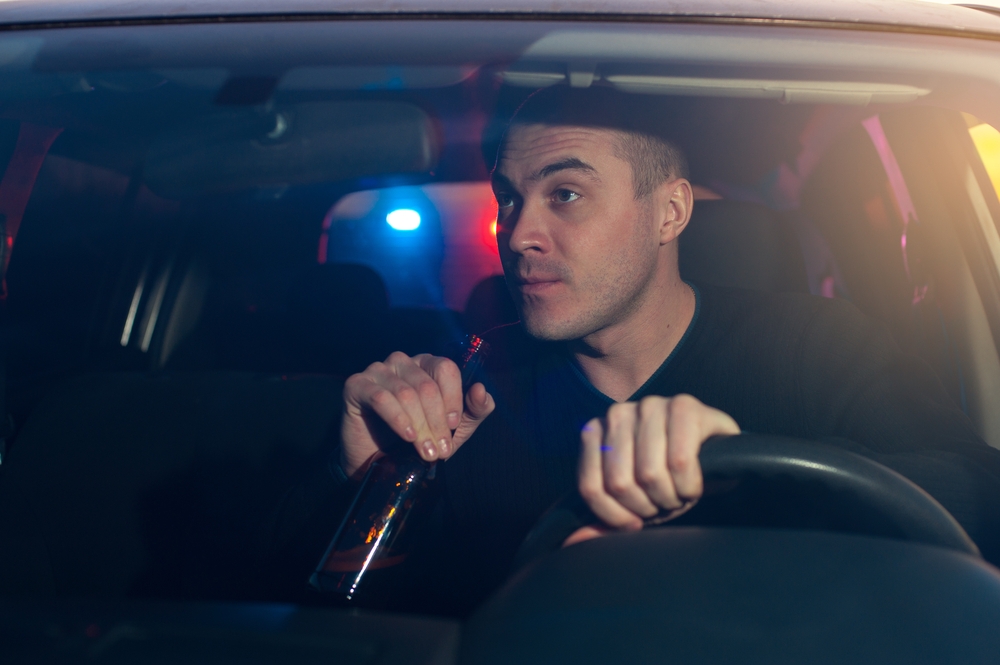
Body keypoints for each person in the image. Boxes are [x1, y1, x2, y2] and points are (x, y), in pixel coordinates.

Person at [260, 86, 1000, 615]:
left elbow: (975, 490)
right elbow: (325, 607)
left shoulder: (812, 343)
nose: (517, 235)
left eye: (567, 194)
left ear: (670, 211)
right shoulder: (469, 385)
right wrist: (352, 472)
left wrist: (739, 476)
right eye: (509, 197)